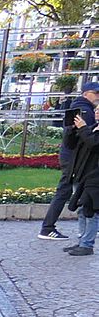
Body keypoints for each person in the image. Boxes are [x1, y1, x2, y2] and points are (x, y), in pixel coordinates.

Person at [41, 81, 99, 240]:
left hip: (72, 157)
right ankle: (48, 227)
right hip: (74, 158)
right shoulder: (84, 110)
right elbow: (89, 139)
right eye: (96, 93)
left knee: (75, 191)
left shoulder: (79, 108)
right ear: (86, 94)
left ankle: (83, 231)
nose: (98, 97)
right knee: (69, 191)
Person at [65, 104, 99, 255]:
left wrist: (83, 128)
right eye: (96, 109)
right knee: (81, 210)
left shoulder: (89, 129)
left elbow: (95, 144)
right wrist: (72, 130)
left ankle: (87, 244)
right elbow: (71, 145)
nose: (96, 112)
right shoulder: (92, 127)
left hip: (94, 178)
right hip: (81, 175)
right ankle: (82, 241)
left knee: (91, 211)